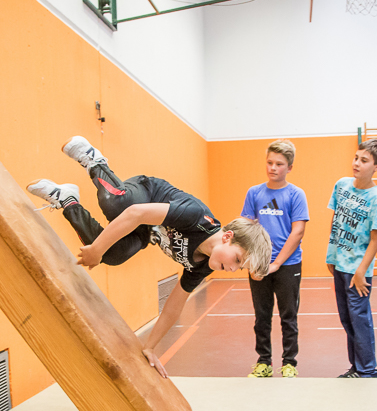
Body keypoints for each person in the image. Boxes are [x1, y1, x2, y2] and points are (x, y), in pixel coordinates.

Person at [27, 136, 272, 378]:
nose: (231, 269)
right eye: (238, 260)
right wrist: (96, 249)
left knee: (114, 256)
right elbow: (136, 213)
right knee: (117, 206)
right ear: (228, 237)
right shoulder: (196, 217)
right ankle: (95, 162)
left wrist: (150, 347)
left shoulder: (203, 266)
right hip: (145, 196)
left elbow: (174, 306)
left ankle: (67, 200)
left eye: (239, 269)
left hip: (145, 230)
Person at [241, 140, 309, 378]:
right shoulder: (254, 193)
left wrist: (277, 263)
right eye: (270, 162)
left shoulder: (296, 194)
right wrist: (252, 262)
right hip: (259, 264)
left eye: (279, 164)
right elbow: (247, 228)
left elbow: (297, 231)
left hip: (287, 264)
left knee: (288, 316)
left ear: (289, 167)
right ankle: (264, 362)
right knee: (262, 316)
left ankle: (289, 363)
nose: (273, 168)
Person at [326, 139, 377, 379]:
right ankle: (356, 367)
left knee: (359, 319)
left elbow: (375, 239)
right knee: (346, 318)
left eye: (364, 161)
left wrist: (362, 270)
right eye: (356, 158)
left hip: (358, 270)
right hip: (340, 264)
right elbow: (336, 223)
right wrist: (330, 255)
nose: (357, 164)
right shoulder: (341, 185)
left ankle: (368, 370)